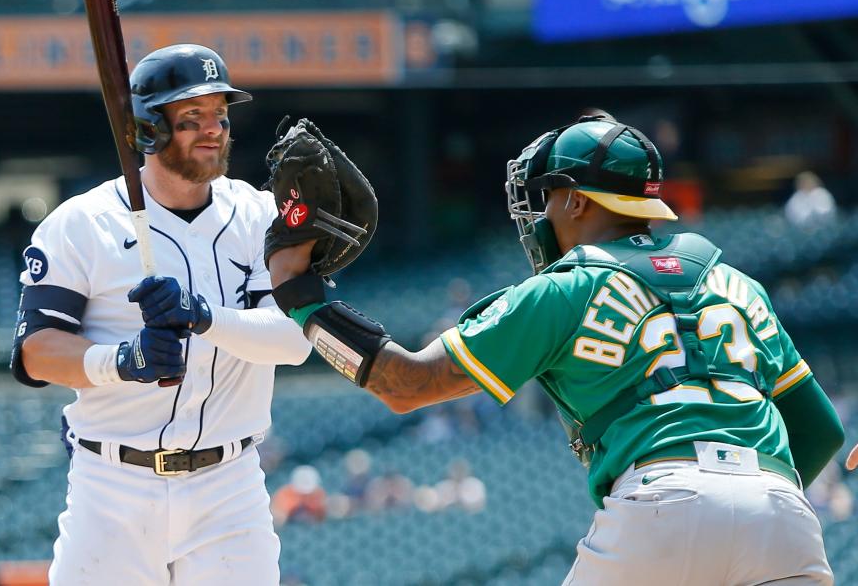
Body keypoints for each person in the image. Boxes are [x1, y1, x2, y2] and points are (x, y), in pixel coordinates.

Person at [268, 115, 844, 585]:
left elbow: (406, 383)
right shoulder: (738, 284)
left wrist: (300, 295)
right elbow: (820, 431)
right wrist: (744, 507)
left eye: (548, 196)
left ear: (576, 203)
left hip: (663, 504)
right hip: (781, 513)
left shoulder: (567, 285)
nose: (540, 212)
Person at [11, 44, 311, 585]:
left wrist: (203, 316)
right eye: (190, 117)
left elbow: (294, 343)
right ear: (147, 128)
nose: (213, 129)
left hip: (230, 488)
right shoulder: (82, 223)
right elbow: (37, 352)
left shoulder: (258, 214)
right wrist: (124, 359)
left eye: (220, 114)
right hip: (112, 489)